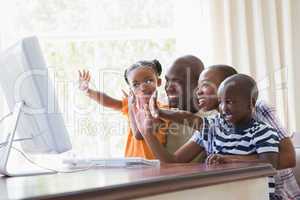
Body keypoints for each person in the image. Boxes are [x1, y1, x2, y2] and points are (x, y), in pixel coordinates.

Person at [135, 74, 280, 199]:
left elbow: (269, 163)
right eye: (221, 102)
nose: (223, 108)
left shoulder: (262, 132)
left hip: (256, 195)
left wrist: (228, 159)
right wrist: (159, 113)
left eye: (229, 102)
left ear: (251, 104)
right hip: (222, 194)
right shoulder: (215, 127)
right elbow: (190, 119)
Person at [78, 59, 168, 159]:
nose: (142, 87)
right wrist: (88, 91)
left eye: (148, 81)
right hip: (132, 166)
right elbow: (108, 101)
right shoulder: (132, 105)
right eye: (136, 84)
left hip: (154, 168)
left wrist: (131, 107)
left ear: (158, 82)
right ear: (131, 89)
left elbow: (139, 134)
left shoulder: (163, 110)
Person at [163, 55, 205, 154]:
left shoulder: (212, 119)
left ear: (198, 84)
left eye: (177, 81)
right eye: (167, 80)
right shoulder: (163, 117)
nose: (168, 88)